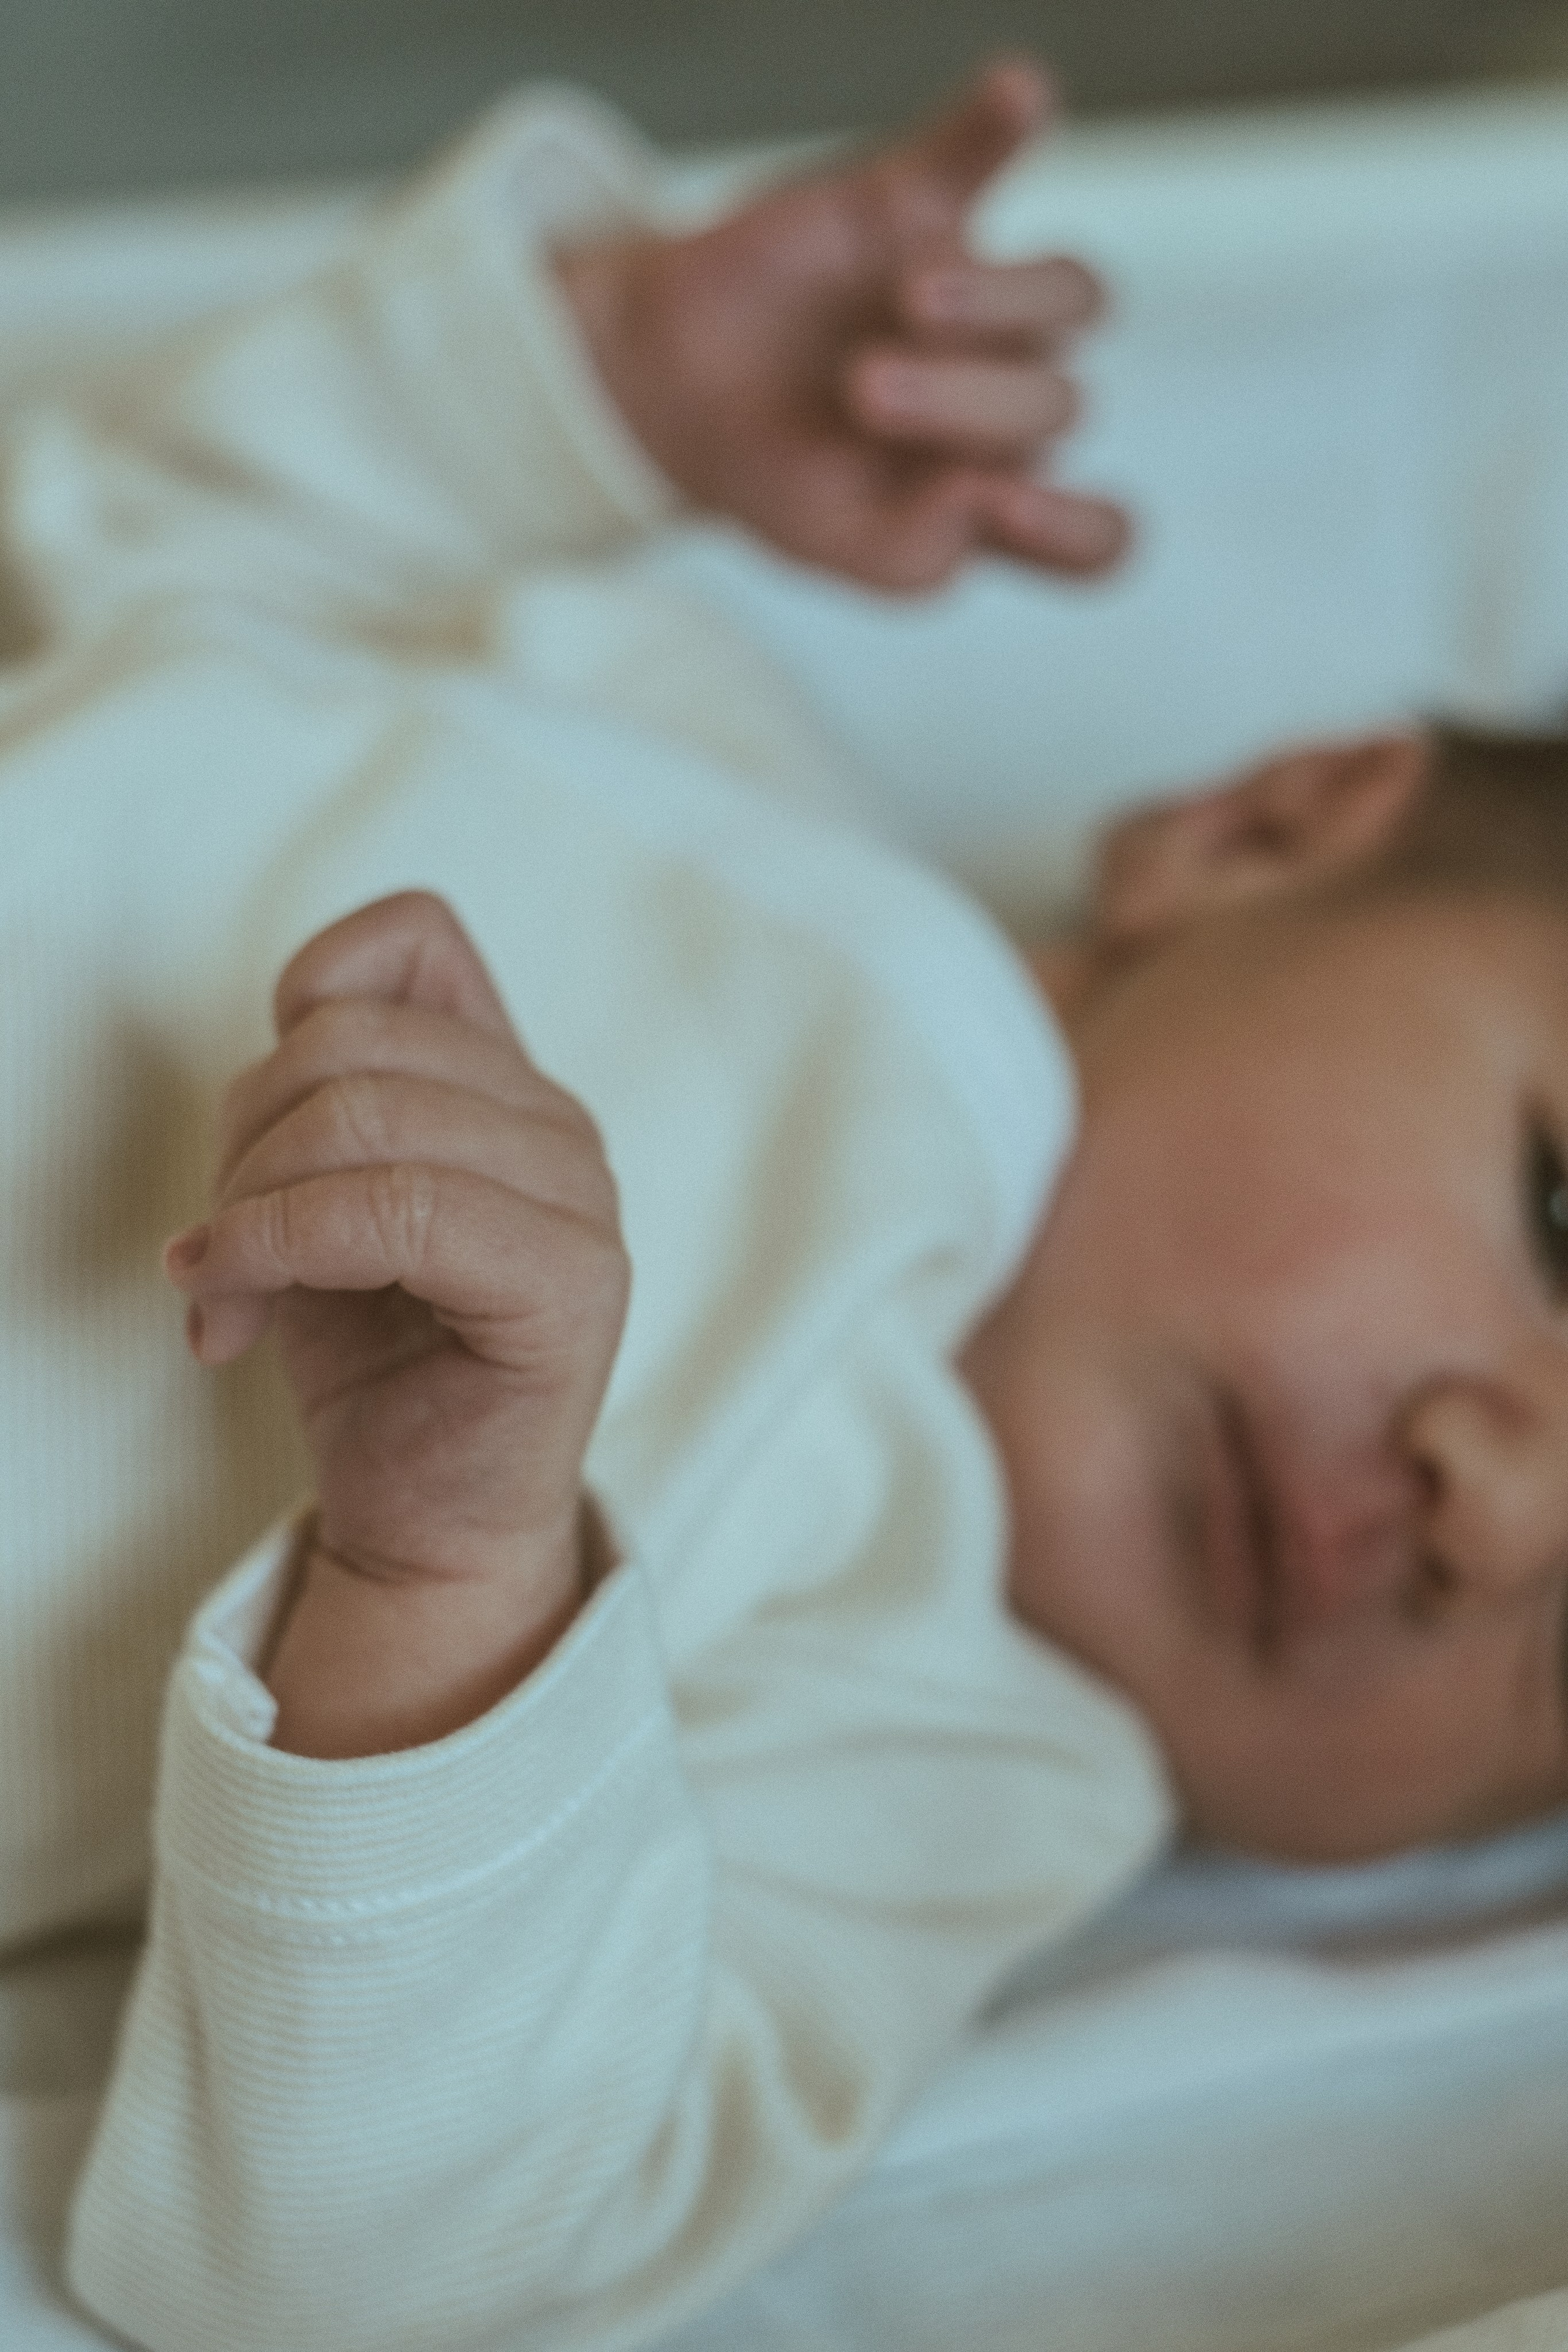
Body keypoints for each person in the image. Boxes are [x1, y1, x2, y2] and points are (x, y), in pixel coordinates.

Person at [0, 51, 1562, 2352]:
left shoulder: (942, 1766)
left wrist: (453, 1576)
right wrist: (592, 389)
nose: (1501, 1506)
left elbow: (341, 2268)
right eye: (1557, 1216)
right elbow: (122, 552)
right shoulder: (655, 713)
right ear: (1264, 828)